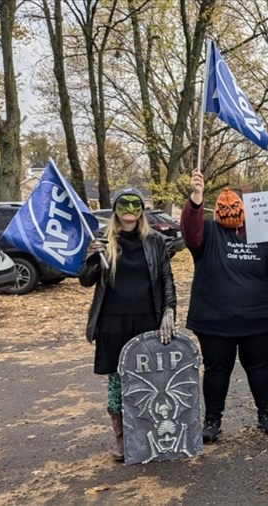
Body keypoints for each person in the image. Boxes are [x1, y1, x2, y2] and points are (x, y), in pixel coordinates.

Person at [181, 169, 268, 443]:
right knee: (216, 370)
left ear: (245, 209)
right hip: (215, 321)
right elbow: (189, 232)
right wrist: (196, 198)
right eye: (223, 207)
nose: (229, 211)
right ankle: (212, 420)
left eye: (235, 207)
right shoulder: (207, 233)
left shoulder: (262, 233)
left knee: (259, 367)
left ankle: (266, 413)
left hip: (256, 318)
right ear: (216, 209)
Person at [79, 188, 176, 462]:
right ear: (116, 209)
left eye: (135, 204)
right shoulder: (102, 239)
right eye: (124, 204)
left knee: (152, 381)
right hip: (112, 321)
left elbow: (166, 278)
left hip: (147, 318)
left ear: (142, 209)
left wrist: (169, 310)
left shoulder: (155, 240)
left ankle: (151, 434)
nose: (129, 209)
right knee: (116, 382)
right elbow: (85, 280)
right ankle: (122, 439)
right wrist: (92, 259)